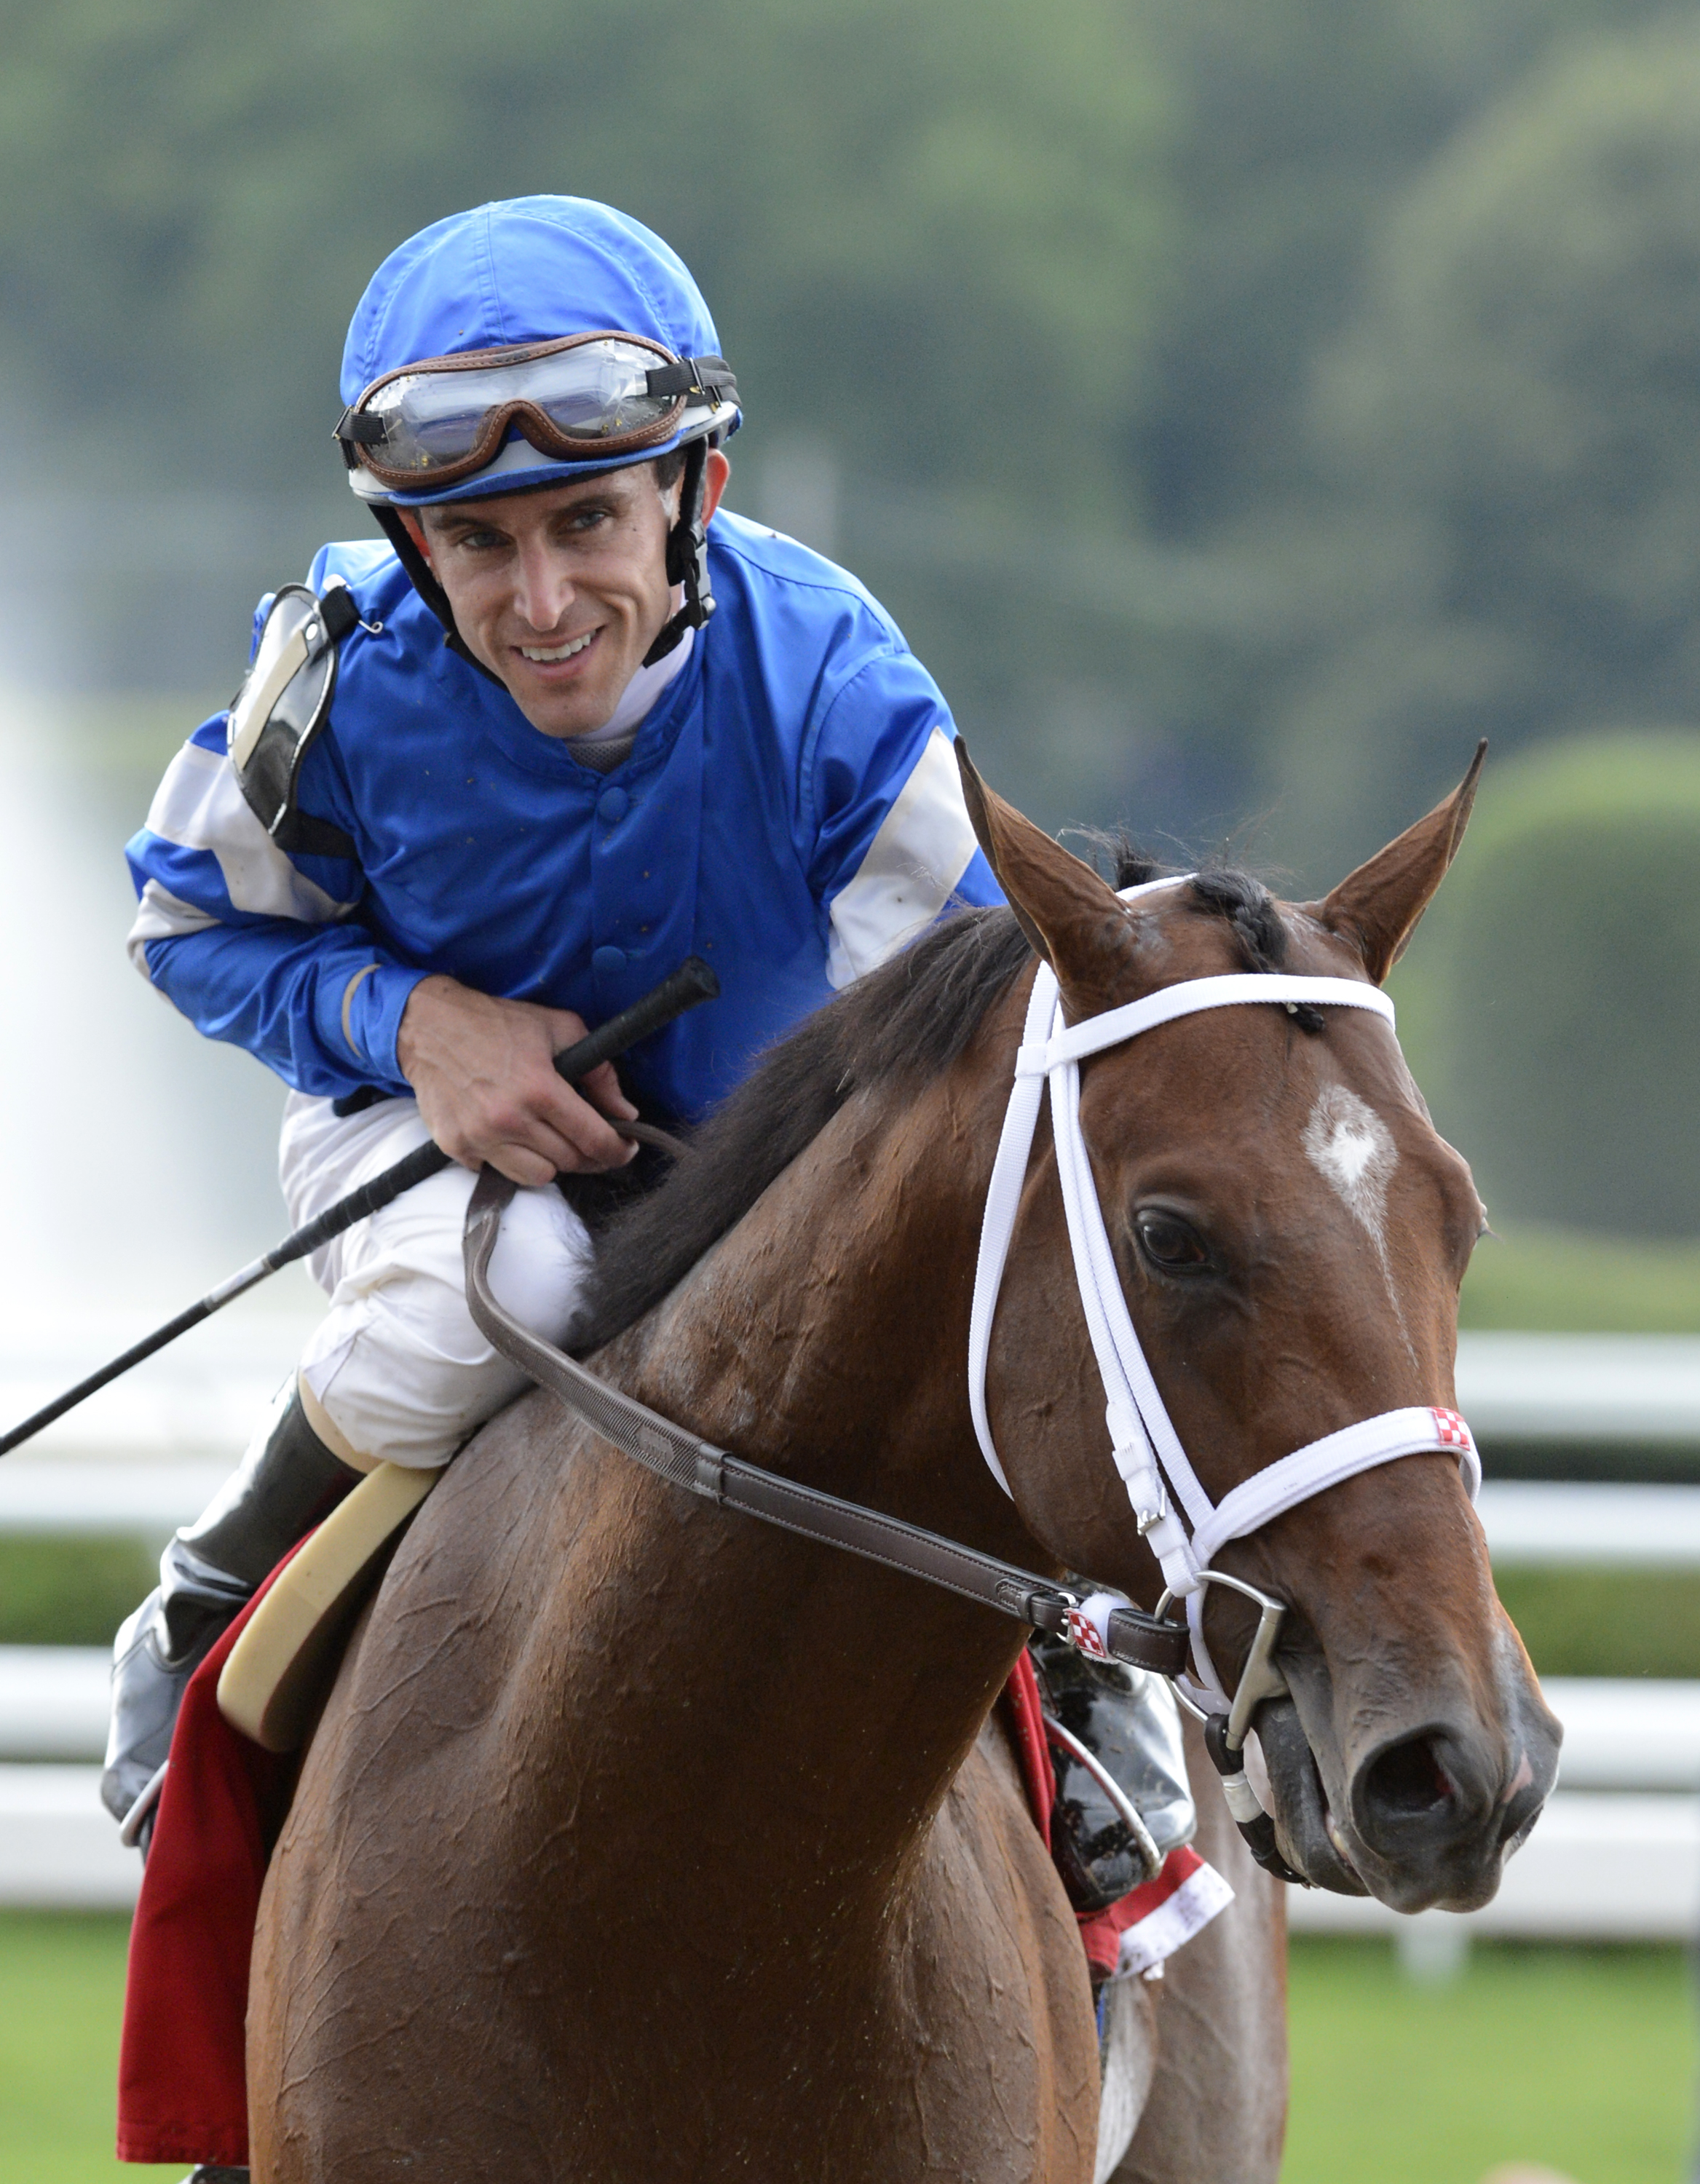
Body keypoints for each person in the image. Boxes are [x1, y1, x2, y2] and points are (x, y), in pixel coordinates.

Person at [104, 197, 1192, 2009]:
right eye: (480, 543)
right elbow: (188, 923)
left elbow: (970, 1031)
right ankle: (213, 1599)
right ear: (411, 542)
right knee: (518, 1290)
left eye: (589, 524)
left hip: (774, 1160)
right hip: (430, 1131)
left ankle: (1075, 1686)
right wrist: (417, 1020)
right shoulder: (332, 686)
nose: (541, 605)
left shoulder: (837, 686)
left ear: (692, 492)